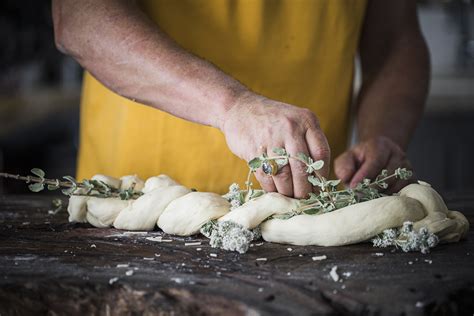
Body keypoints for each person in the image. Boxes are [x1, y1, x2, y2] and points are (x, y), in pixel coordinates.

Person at [52, 0, 429, 198]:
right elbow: (81, 17)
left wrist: (382, 136)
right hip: (139, 198)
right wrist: (232, 106)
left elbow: (395, 38)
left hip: (307, 205)